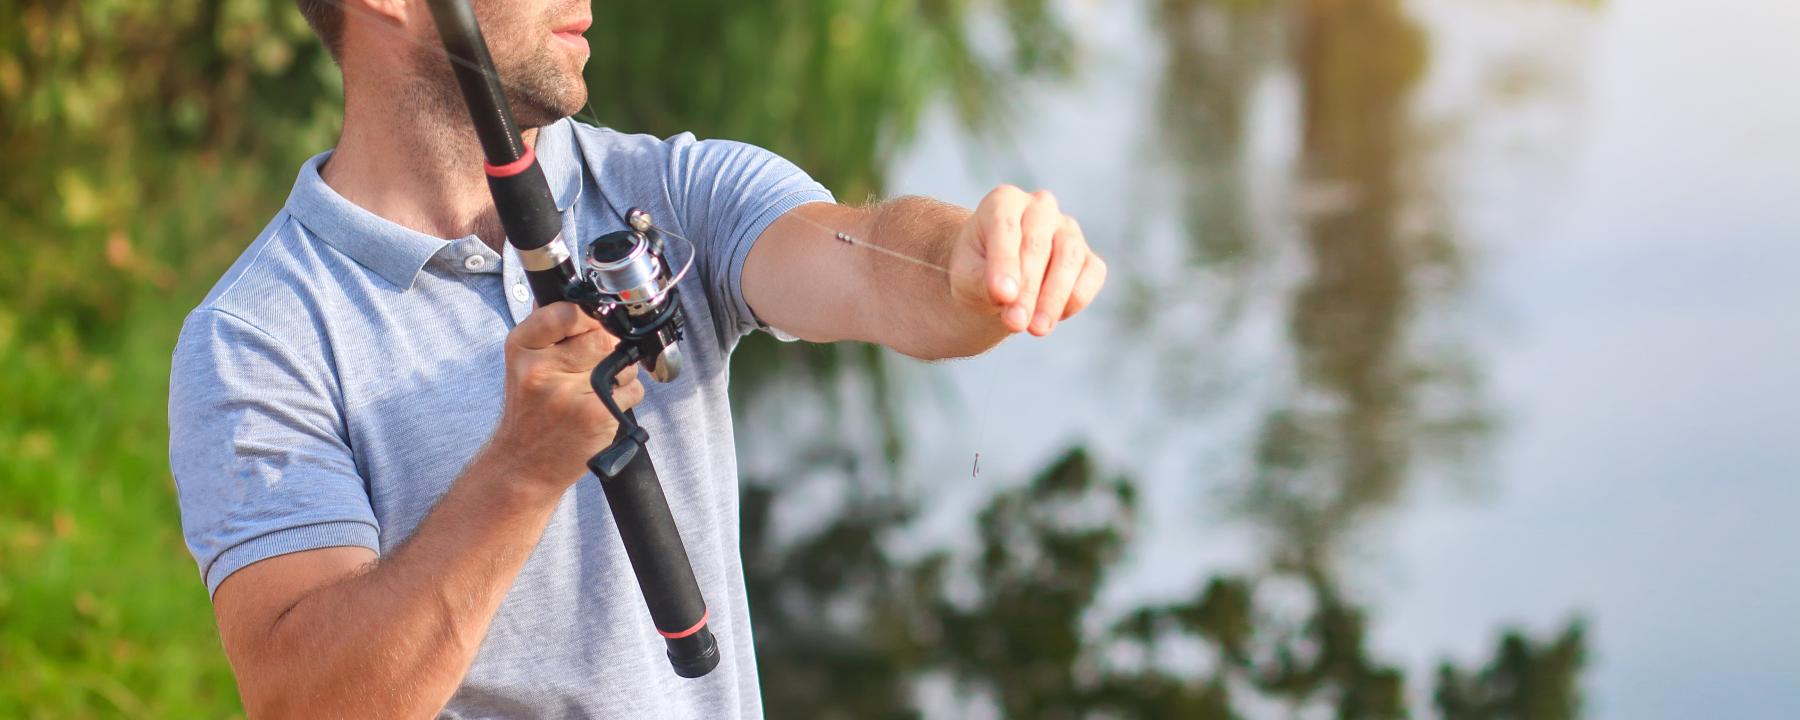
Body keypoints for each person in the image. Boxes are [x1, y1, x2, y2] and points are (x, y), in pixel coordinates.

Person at [167, 0, 1107, 716]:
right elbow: (304, 699)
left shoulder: (669, 188)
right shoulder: (258, 337)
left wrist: (967, 261)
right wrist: (520, 471)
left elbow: (864, 261)